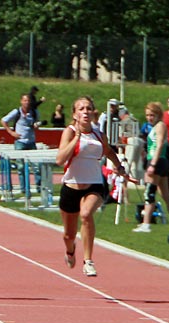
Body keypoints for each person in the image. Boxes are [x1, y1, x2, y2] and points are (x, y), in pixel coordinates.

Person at [55, 96, 129, 277]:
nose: (85, 112)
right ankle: (70, 250)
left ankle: (88, 260)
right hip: (71, 186)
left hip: (94, 184)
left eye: (88, 108)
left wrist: (119, 167)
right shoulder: (70, 132)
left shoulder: (98, 135)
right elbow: (60, 159)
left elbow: (109, 151)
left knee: (86, 214)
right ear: (75, 114)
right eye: (81, 109)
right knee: (68, 235)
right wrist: (76, 138)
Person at [135, 103, 169, 233]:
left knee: (149, 193)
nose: (149, 118)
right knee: (165, 195)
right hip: (157, 160)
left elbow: (159, 145)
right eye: (147, 115)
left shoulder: (160, 126)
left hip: (157, 160)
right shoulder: (153, 127)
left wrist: (152, 164)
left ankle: (146, 224)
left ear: (158, 115)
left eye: (152, 115)